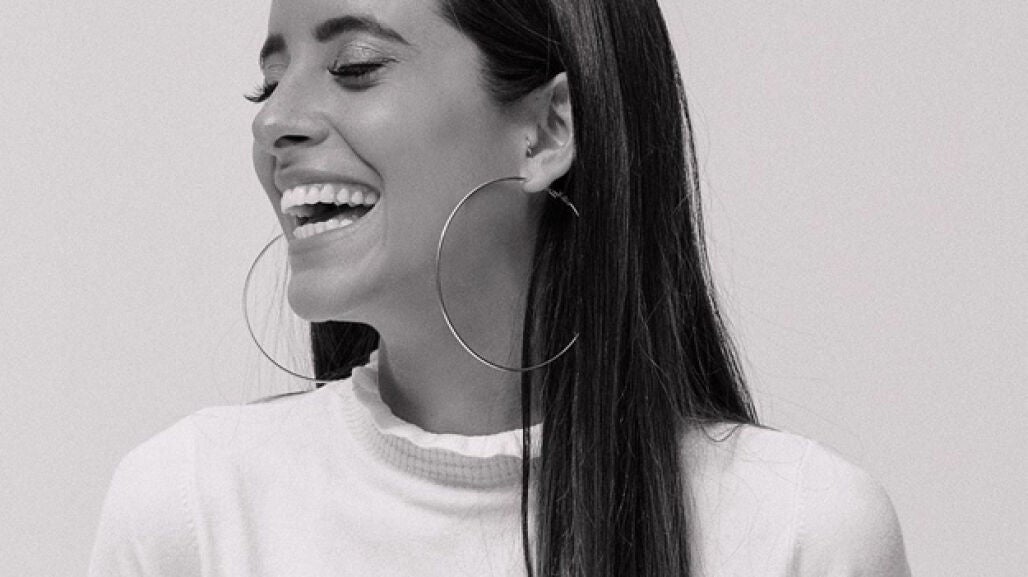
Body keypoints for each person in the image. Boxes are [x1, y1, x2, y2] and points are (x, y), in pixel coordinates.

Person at [88, 0, 912, 575]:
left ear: (546, 131)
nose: (273, 121)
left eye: (356, 66)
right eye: (269, 83)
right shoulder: (189, 512)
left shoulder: (803, 535)